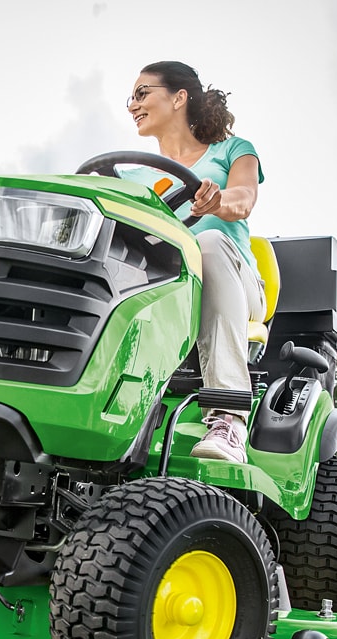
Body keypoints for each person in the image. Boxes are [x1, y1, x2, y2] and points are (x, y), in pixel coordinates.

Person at [123, 60, 266, 463]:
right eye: (130, 98)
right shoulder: (128, 177)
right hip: (161, 289)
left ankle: (228, 420)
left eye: (141, 93)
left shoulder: (233, 151)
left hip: (233, 280)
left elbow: (244, 198)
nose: (132, 105)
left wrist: (218, 202)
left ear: (179, 97)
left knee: (208, 242)